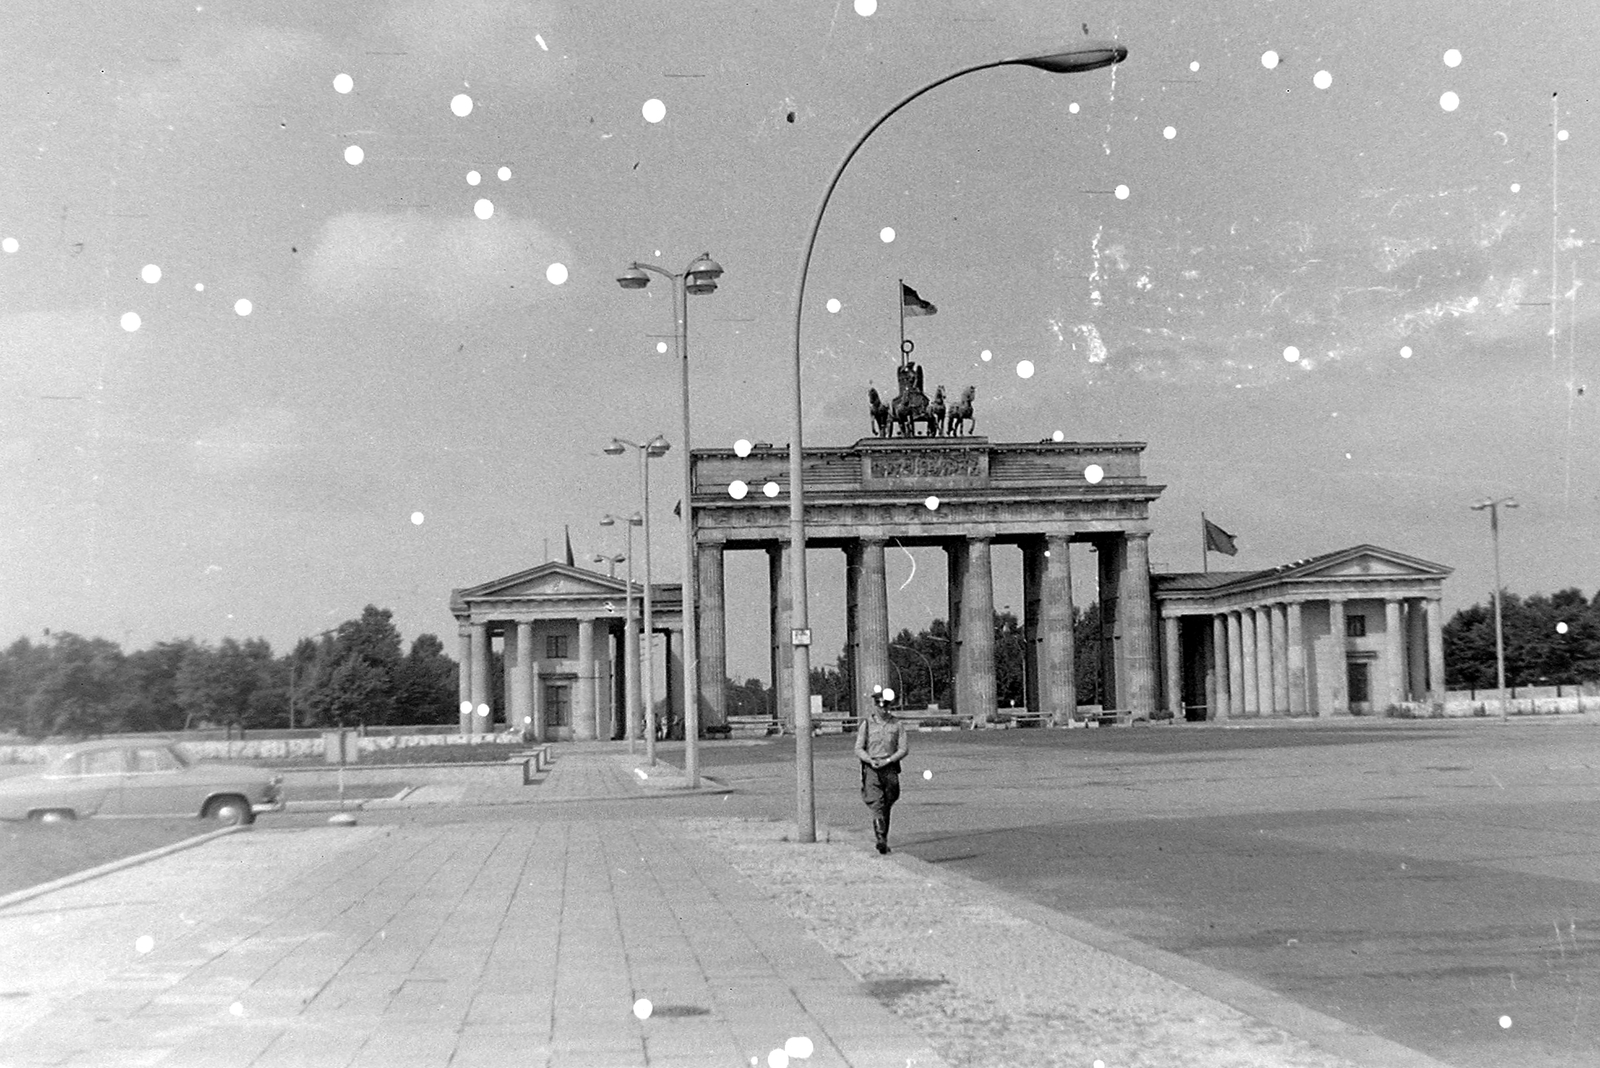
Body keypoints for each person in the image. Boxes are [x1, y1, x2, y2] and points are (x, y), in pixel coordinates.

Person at [855, 685, 909, 854]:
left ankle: (883, 836)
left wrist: (889, 760)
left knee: (888, 802)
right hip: (872, 767)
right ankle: (881, 839)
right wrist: (869, 759)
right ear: (875, 705)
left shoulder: (897, 724)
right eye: (880, 705)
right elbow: (858, 748)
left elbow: (903, 748)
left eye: (886, 705)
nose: (883, 709)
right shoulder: (867, 724)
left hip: (890, 767)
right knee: (876, 803)